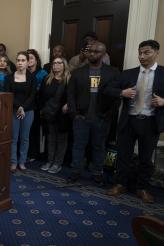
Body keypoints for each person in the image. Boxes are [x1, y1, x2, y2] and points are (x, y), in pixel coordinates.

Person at [106, 40, 164, 203]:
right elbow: (108, 89)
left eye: (146, 52)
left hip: (150, 122)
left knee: (146, 158)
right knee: (124, 155)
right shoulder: (128, 73)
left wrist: (163, 102)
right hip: (129, 121)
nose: (142, 56)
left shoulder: (162, 73)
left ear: (156, 52)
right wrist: (121, 92)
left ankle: (142, 188)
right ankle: (120, 184)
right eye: (140, 53)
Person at [66, 42, 120, 185]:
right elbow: (70, 95)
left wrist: (109, 114)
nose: (92, 54)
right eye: (90, 51)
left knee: (99, 146)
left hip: (102, 118)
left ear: (103, 54)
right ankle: (76, 171)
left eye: (96, 52)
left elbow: (116, 97)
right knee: (78, 146)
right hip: (81, 118)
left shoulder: (113, 72)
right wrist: (74, 113)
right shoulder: (78, 72)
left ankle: (97, 173)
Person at [6, 51, 37, 172]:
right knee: (13, 138)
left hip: (28, 111)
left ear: (28, 62)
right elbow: (9, 94)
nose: (20, 63)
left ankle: (22, 161)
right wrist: (18, 107)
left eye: (23, 60)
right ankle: (13, 162)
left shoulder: (32, 78)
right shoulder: (9, 77)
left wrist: (23, 107)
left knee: (25, 138)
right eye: (18, 60)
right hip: (14, 111)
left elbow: (32, 95)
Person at [39, 58, 71, 173]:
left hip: (63, 114)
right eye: (54, 63)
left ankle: (58, 163)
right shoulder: (47, 79)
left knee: (61, 140)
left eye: (59, 63)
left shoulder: (69, 79)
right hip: (50, 113)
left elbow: (74, 96)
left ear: (64, 65)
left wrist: (68, 104)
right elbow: (42, 95)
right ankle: (50, 161)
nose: (56, 65)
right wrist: (43, 110)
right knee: (51, 138)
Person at [27, 49, 48, 162]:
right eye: (27, 58)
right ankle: (26, 153)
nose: (29, 60)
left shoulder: (43, 73)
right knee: (26, 131)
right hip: (24, 105)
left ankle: (34, 154)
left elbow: (44, 91)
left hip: (37, 105)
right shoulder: (23, 72)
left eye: (31, 58)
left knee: (34, 130)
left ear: (36, 60)